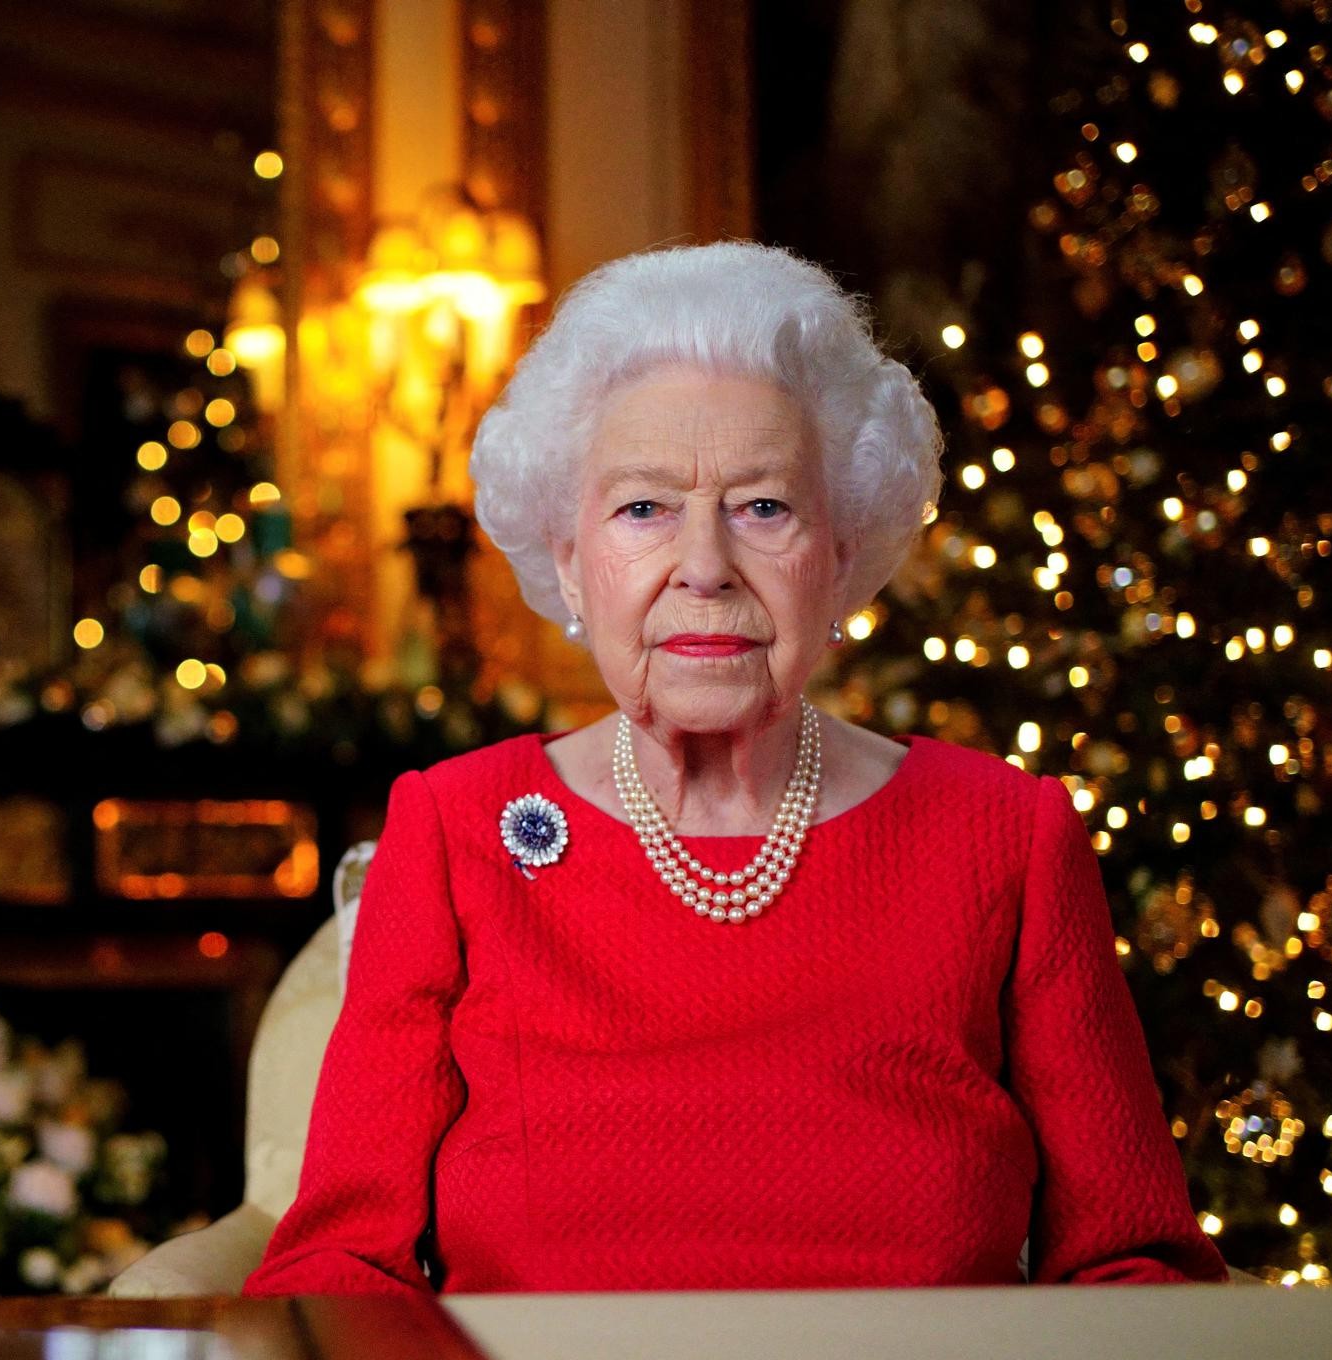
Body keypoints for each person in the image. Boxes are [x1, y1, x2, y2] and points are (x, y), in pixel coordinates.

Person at [245, 241, 1227, 1297]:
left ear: (841, 554)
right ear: (570, 559)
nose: (705, 567)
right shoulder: (456, 828)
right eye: (643, 509)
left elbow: (1133, 1263)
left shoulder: (1001, 834)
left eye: (764, 507)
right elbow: (339, 1268)